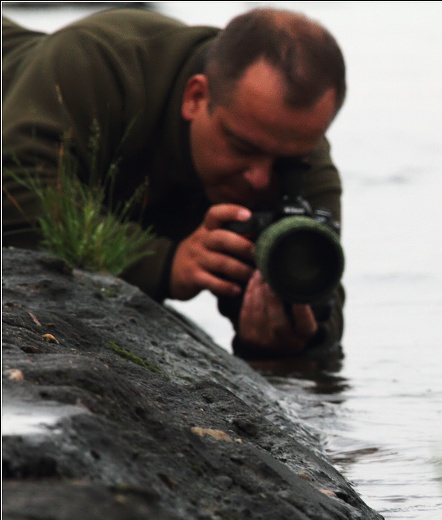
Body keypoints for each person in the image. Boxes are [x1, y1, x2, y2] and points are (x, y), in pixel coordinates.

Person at [2, 6, 346, 360]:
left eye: (287, 162)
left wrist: (290, 336)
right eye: (243, 147)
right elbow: (14, 193)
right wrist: (164, 263)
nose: (260, 179)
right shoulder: (100, 61)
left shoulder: (297, 149)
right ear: (196, 97)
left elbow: (324, 297)